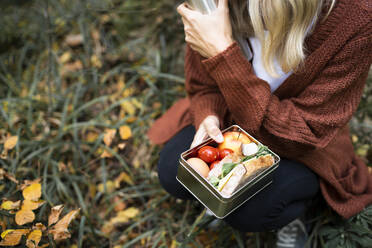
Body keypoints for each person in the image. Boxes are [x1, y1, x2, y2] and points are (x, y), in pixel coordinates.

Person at [148, 0, 372, 246]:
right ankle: (219, 196)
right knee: (175, 171)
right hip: (234, 121)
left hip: (300, 146)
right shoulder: (216, 3)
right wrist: (208, 114)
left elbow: (304, 133)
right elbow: (204, 83)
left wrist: (222, 55)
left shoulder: (358, 17)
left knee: (253, 211)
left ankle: (302, 210)